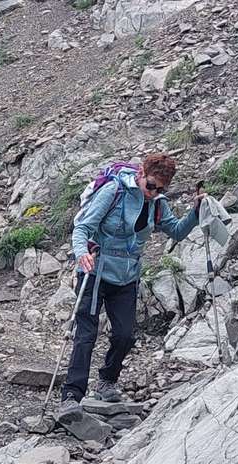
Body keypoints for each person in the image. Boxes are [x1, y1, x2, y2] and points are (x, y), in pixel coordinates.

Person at [59, 152, 206, 420]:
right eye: (151, 185)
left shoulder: (157, 203)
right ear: (140, 174)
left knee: (125, 335)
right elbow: (82, 227)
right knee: (86, 334)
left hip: (127, 276)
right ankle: (71, 395)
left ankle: (107, 381)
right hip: (95, 270)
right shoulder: (114, 191)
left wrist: (196, 212)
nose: (153, 192)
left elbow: (176, 231)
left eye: (160, 189)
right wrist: (81, 253)